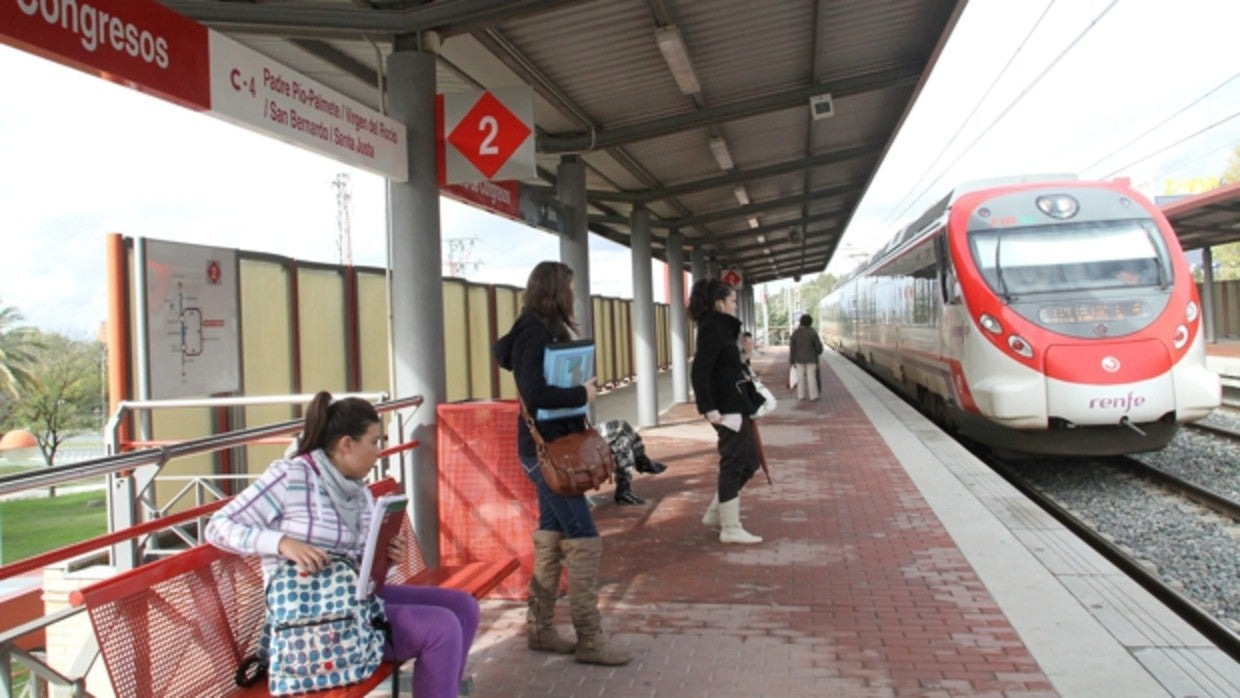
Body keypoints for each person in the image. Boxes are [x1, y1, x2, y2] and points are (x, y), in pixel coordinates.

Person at [205, 392, 479, 698]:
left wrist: (385, 559)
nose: (379, 452)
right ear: (346, 444)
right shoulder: (290, 477)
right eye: (374, 442)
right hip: (313, 622)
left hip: (353, 602)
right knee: (440, 629)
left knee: (463, 606)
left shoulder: (357, 491)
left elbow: (361, 569)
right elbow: (218, 526)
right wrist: (282, 543)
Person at [493, 260, 633, 666]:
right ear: (555, 291)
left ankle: (540, 629)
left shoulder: (536, 330)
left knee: (551, 532)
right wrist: (580, 394)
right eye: (569, 288)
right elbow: (535, 394)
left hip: (547, 449)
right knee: (583, 535)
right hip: (546, 452)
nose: (573, 296)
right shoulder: (534, 335)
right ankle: (590, 639)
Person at [688, 278, 764, 545]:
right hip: (726, 409)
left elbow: (725, 367)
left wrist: (743, 355)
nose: (735, 306)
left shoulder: (721, 329)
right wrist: (709, 409)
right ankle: (730, 527)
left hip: (735, 404)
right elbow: (700, 371)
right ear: (719, 303)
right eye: (732, 301)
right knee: (734, 463)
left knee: (751, 460)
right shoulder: (712, 329)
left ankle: (715, 513)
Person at [596, 418, 667, 505]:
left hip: (580, 433)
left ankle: (641, 461)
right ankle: (641, 462)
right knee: (622, 442)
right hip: (577, 443)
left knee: (622, 425)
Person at [789, 314, 823, 401]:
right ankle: (813, 396)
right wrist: (819, 350)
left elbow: (792, 348)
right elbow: (819, 348)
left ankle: (801, 396)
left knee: (800, 378)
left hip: (798, 359)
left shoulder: (795, 333)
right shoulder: (813, 332)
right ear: (810, 323)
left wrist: (791, 361)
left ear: (801, 322)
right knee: (811, 377)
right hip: (811, 359)